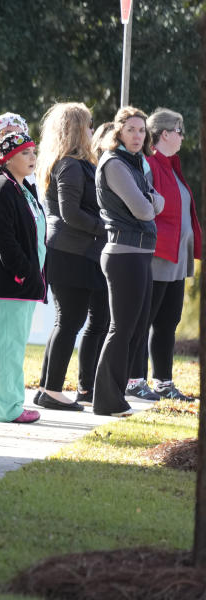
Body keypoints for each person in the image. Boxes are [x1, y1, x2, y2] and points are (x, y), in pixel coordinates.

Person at [33, 103, 106, 411]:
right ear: (77, 129)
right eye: (89, 126)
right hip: (71, 251)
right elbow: (70, 213)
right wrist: (105, 225)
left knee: (68, 320)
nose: (93, 131)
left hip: (71, 250)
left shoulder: (70, 162)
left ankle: (46, 388)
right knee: (70, 320)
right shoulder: (71, 165)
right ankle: (52, 390)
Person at [92, 107, 165, 416]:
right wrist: (151, 200)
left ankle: (115, 395)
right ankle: (107, 400)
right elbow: (145, 209)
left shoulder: (137, 163)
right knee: (121, 328)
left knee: (134, 329)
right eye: (131, 130)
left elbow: (156, 200)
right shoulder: (115, 163)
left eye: (141, 130)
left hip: (140, 253)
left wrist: (151, 199)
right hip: (123, 254)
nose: (138, 136)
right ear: (118, 132)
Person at [127, 108, 200, 402]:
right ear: (165, 134)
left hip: (177, 258)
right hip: (157, 255)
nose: (183, 136)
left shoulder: (172, 166)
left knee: (168, 321)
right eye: (179, 131)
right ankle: (134, 380)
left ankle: (164, 382)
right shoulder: (150, 165)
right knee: (144, 320)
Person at [0, 131, 46, 424]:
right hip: (12, 286)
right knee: (8, 347)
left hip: (22, 284)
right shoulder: (1, 191)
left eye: (33, 152)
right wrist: (25, 274)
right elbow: (5, 243)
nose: (32, 158)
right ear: (8, 158)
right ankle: (6, 407)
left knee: (5, 345)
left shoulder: (22, 188)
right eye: (25, 153)